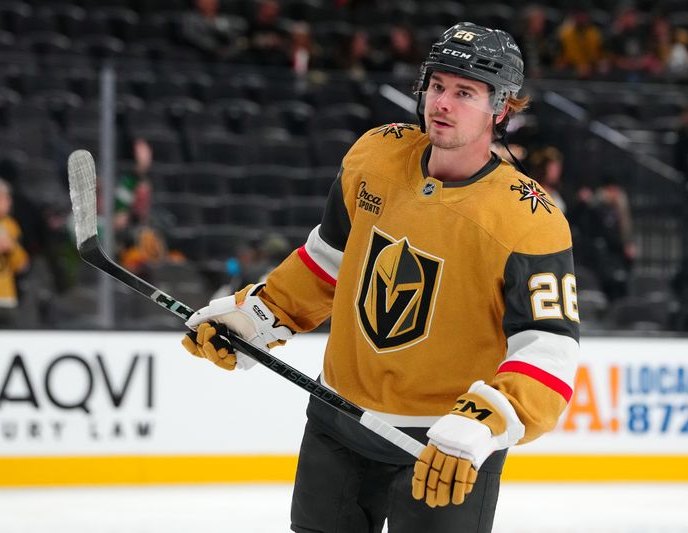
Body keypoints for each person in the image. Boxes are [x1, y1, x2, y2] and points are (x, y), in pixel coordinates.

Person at [181, 22, 580, 533]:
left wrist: (488, 420)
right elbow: (328, 261)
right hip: (338, 419)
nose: (443, 103)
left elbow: (548, 347)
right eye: (437, 86)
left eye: (465, 93)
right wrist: (259, 315)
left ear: (500, 109)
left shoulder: (530, 219)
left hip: (442, 444)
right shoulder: (376, 157)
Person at [0, 177, 30, 326]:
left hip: (6, 298)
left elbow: (22, 265)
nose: (9, 202)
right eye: (5, 198)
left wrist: (11, 248)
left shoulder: (10, 226)